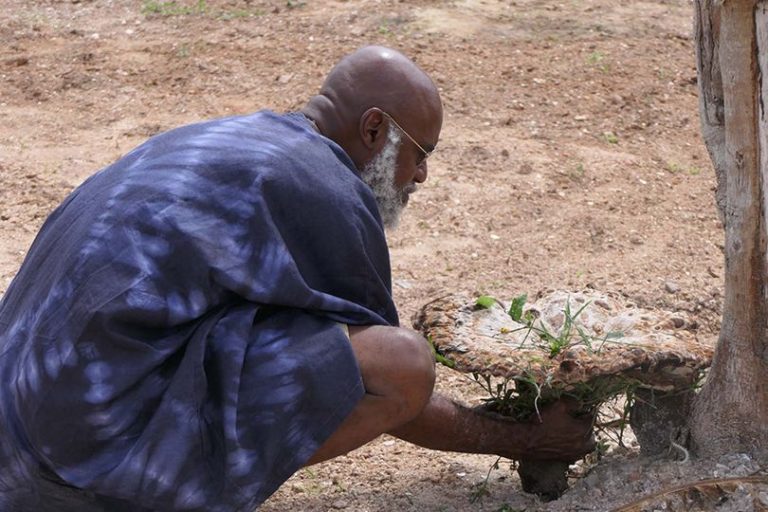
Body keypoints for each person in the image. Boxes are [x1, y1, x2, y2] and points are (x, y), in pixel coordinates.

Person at [0, 46, 594, 511]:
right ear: (374, 131)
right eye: (421, 152)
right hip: (74, 456)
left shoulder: (238, 138)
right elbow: (388, 389)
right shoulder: (323, 187)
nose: (423, 177)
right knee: (402, 361)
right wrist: (523, 440)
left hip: (19, 426)